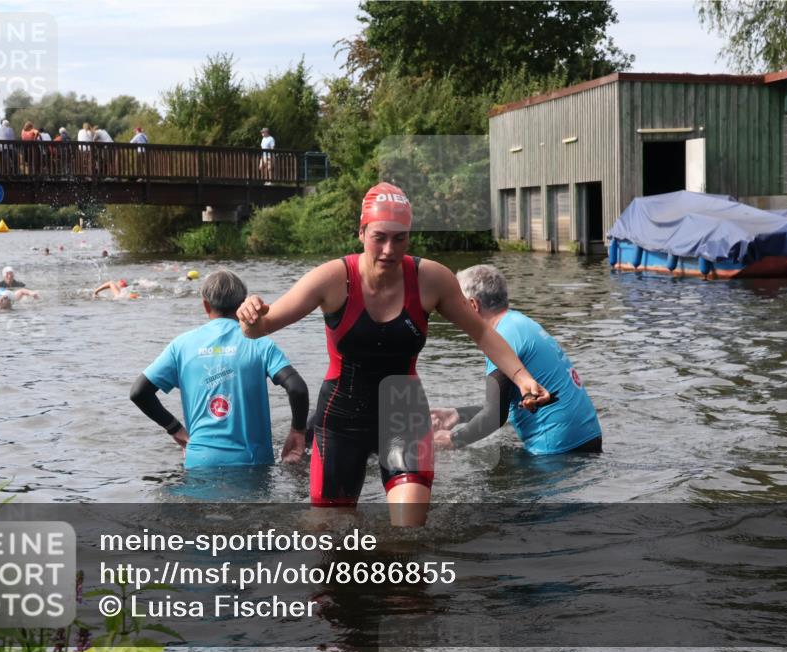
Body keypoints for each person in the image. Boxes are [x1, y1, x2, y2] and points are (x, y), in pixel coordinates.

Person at [236, 182, 552, 526]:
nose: (389, 249)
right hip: (342, 420)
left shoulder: (431, 279)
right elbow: (261, 327)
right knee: (330, 543)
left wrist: (523, 379)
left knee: (408, 536)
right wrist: (250, 314)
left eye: (399, 238)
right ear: (361, 232)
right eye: (379, 237)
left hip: (404, 414)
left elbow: (481, 332)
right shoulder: (332, 278)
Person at [130, 270, 309, 468]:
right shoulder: (259, 343)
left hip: (199, 463)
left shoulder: (180, 346)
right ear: (242, 305)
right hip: (252, 464)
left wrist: (175, 429)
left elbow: (139, 392)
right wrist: (297, 432)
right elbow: (297, 388)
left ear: (206, 305)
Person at [429, 265, 602, 455]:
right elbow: (505, 406)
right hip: (587, 438)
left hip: (557, 450)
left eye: (456, 304)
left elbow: (494, 416)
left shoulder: (502, 338)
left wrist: (451, 440)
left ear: (472, 306)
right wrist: (457, 414)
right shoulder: (519, 323)